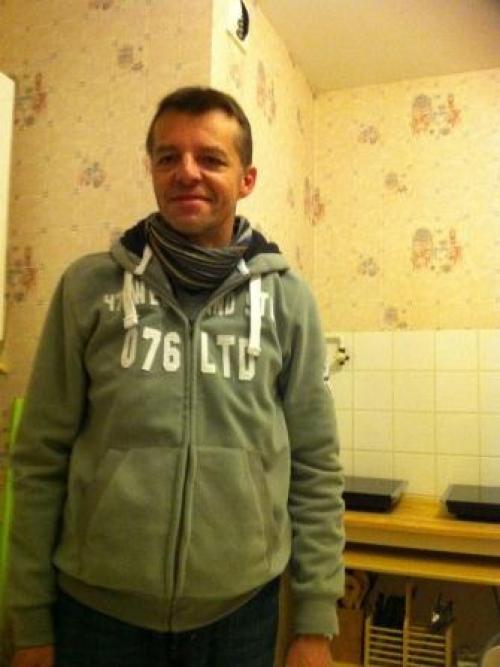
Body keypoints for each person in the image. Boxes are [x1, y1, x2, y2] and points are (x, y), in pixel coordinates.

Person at [7, 86, 344, 667]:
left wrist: (315, 622)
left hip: (239, 617)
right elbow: (40, 458)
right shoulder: (88, 288)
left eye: (210, 158)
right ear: (153, 170)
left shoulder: (289, 300)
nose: (187, 172)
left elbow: (315, 464)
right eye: (169, 157)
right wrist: (31, 621)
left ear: (246, 179)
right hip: (96, 615)